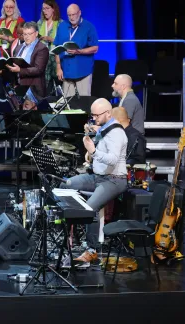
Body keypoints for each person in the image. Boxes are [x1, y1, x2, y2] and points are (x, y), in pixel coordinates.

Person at [62, 98, 128, 267]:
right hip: (98, 176)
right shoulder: (104, 128)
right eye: (92, 115)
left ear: (108, 113)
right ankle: (68, 235)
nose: (94, 118)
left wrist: (93, 150)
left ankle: (92, 250)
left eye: (96, 115)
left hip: (114, 180)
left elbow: (112, 160)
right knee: (66, 185)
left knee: (90, 208)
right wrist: (91, 137)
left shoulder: (116, 133)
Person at [54, 3, 98, 96]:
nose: (71, 17)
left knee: (83, 102)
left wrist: (79, 51)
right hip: (66, 71)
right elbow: (57, 48)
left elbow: (95, 48)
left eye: (73, 14)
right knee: (68, 105)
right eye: (69, 15)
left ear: (79, 13)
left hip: (83, 71)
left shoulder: (89, 27)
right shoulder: (62, 26)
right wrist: (58, 67)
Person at [8, 22, 49, 98]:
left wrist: (20, 70)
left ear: (36, 33)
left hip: (33, 89)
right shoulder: (19, 48)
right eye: (25, 34)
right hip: (19, 87)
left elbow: (38, 69)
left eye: (29, 34)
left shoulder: (41, 48)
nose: (26, 37)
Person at [38, 0, 63, 95]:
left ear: (53, 9)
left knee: (59, 86)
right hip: (43, 58)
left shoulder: (61, 24)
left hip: (56, 58)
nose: (45, 11)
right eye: (43, 9)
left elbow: (64, 42)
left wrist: (51, 39)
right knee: (45, 87)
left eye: (47, 8)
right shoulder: (40, 23)